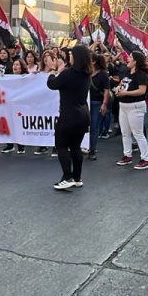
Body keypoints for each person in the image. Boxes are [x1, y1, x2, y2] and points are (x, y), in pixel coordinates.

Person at [48, 45, 92, 190]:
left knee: (61, 146)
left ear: (77, 57)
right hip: (83, 114)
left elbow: (52, 84)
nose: (70, 57)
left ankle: (67, 177)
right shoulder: (87, 74)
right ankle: (77, 177)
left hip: (68, 115)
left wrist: (54, 71)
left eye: (72, 54)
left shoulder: (68, 74)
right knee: (75, 147)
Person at [116, 51, 148, 169]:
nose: (128, 59)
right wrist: (118, 89)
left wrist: (126, 93)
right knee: (125, 132)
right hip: (124, 106)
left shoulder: (141, 74)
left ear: (135, 61)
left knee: (138, 133)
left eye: (130, 57)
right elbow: (121, 83)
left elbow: (141, 91)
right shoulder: (127, 72)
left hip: (135, 106)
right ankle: (127, 155)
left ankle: (145, 158)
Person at [87, 53, 112, 162]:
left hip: (96, 102)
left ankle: (92, 149)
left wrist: (104, 104)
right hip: (85, 103)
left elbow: (107, 90)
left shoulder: (102, 74)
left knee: (94, 127)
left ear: (93, 62)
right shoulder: (86, 72)